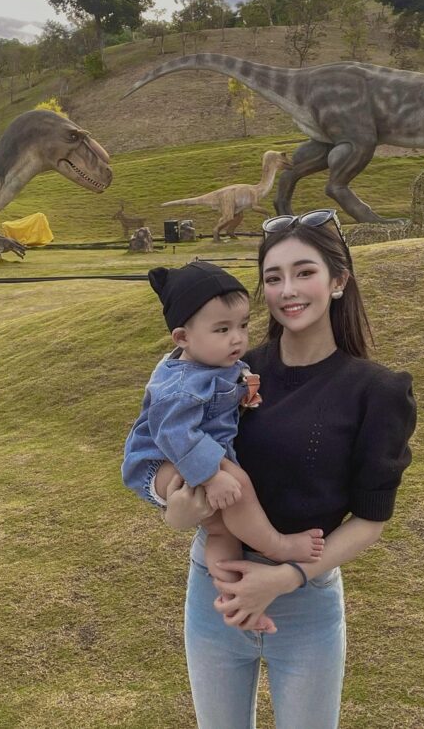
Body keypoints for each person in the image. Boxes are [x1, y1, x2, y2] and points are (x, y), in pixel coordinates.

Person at [154, 210, 417, 728]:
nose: (287, 290)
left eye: (304, 272)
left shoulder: (376, 391)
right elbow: (164, 445)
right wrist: (173, 508)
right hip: (215, 587)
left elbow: (370, 520)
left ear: (338, 281)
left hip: (304, 597)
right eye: (273, 277)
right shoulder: (227, 371)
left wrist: (284, 577)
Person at [122, 261, 326, 631]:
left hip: (189, 453)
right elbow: (173, 434)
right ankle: (277, 546)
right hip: (162, 462)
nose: (237, 338)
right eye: (223, 329)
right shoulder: (180, 385)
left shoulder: (214, 361)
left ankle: (237, 601)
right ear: (182, 338)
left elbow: (222, 397)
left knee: (222, 529)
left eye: (243, 326)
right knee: (238, 485)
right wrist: (212, 476)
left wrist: (244, 398)